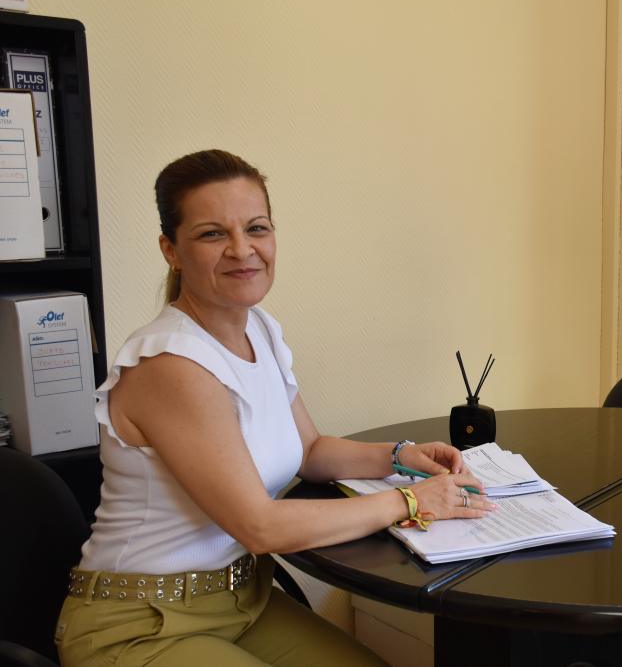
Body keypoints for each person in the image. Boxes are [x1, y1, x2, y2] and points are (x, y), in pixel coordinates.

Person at [56, 149, 497, 666]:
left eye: (257, 228)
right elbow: (260, 527)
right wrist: (414, 503)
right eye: (212, 234)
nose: (243, 250)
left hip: (244, 601)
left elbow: (309, 449)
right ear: (170, 250)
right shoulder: (172, 365)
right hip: (142, 626)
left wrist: (399, 456)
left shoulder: (259, 328)